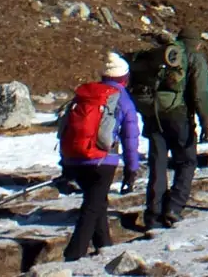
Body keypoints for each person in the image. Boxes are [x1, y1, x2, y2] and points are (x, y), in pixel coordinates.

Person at [59, 53, 141, 261]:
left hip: (75, 157)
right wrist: (132, 169)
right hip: (102, 161)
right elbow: (130, 137)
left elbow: (66, 127)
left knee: (97, 202)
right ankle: (74, 253)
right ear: (125, 78)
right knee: (92, 206)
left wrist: (65, 162)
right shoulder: (122, 99)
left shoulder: (86, 94)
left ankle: (104, 245)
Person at [132, 26, 208, 229]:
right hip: (178, 113)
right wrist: (205, 120)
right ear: (196, 42)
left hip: (153, 113)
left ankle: (153, 213)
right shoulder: (194, 58)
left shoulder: (164, 55)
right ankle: (174, 207)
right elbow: (200, 93)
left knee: (158, 163)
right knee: (186, 161)